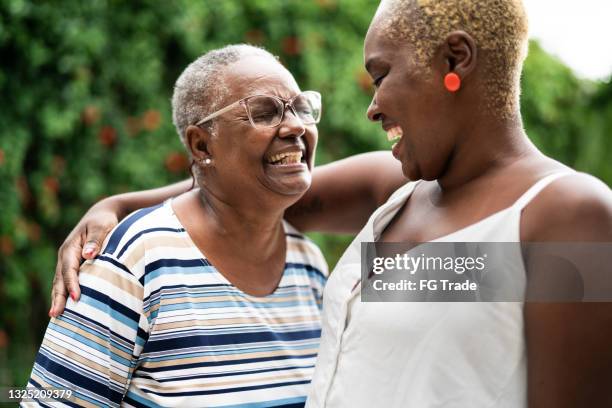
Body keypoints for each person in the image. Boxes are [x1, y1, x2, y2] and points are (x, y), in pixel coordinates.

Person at [51, 0, 612, 407]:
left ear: (455, 59)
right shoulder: (397, 193)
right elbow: (249, 185)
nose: (371, 106)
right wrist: (118, 205)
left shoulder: (568, 214)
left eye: (381, 75)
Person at [25, 44, 405, 407]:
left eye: (301, 108)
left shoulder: (308, 265)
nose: (294, 126)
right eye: (265, 111)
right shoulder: (136, 260)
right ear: (202, 146)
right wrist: (122, 207)